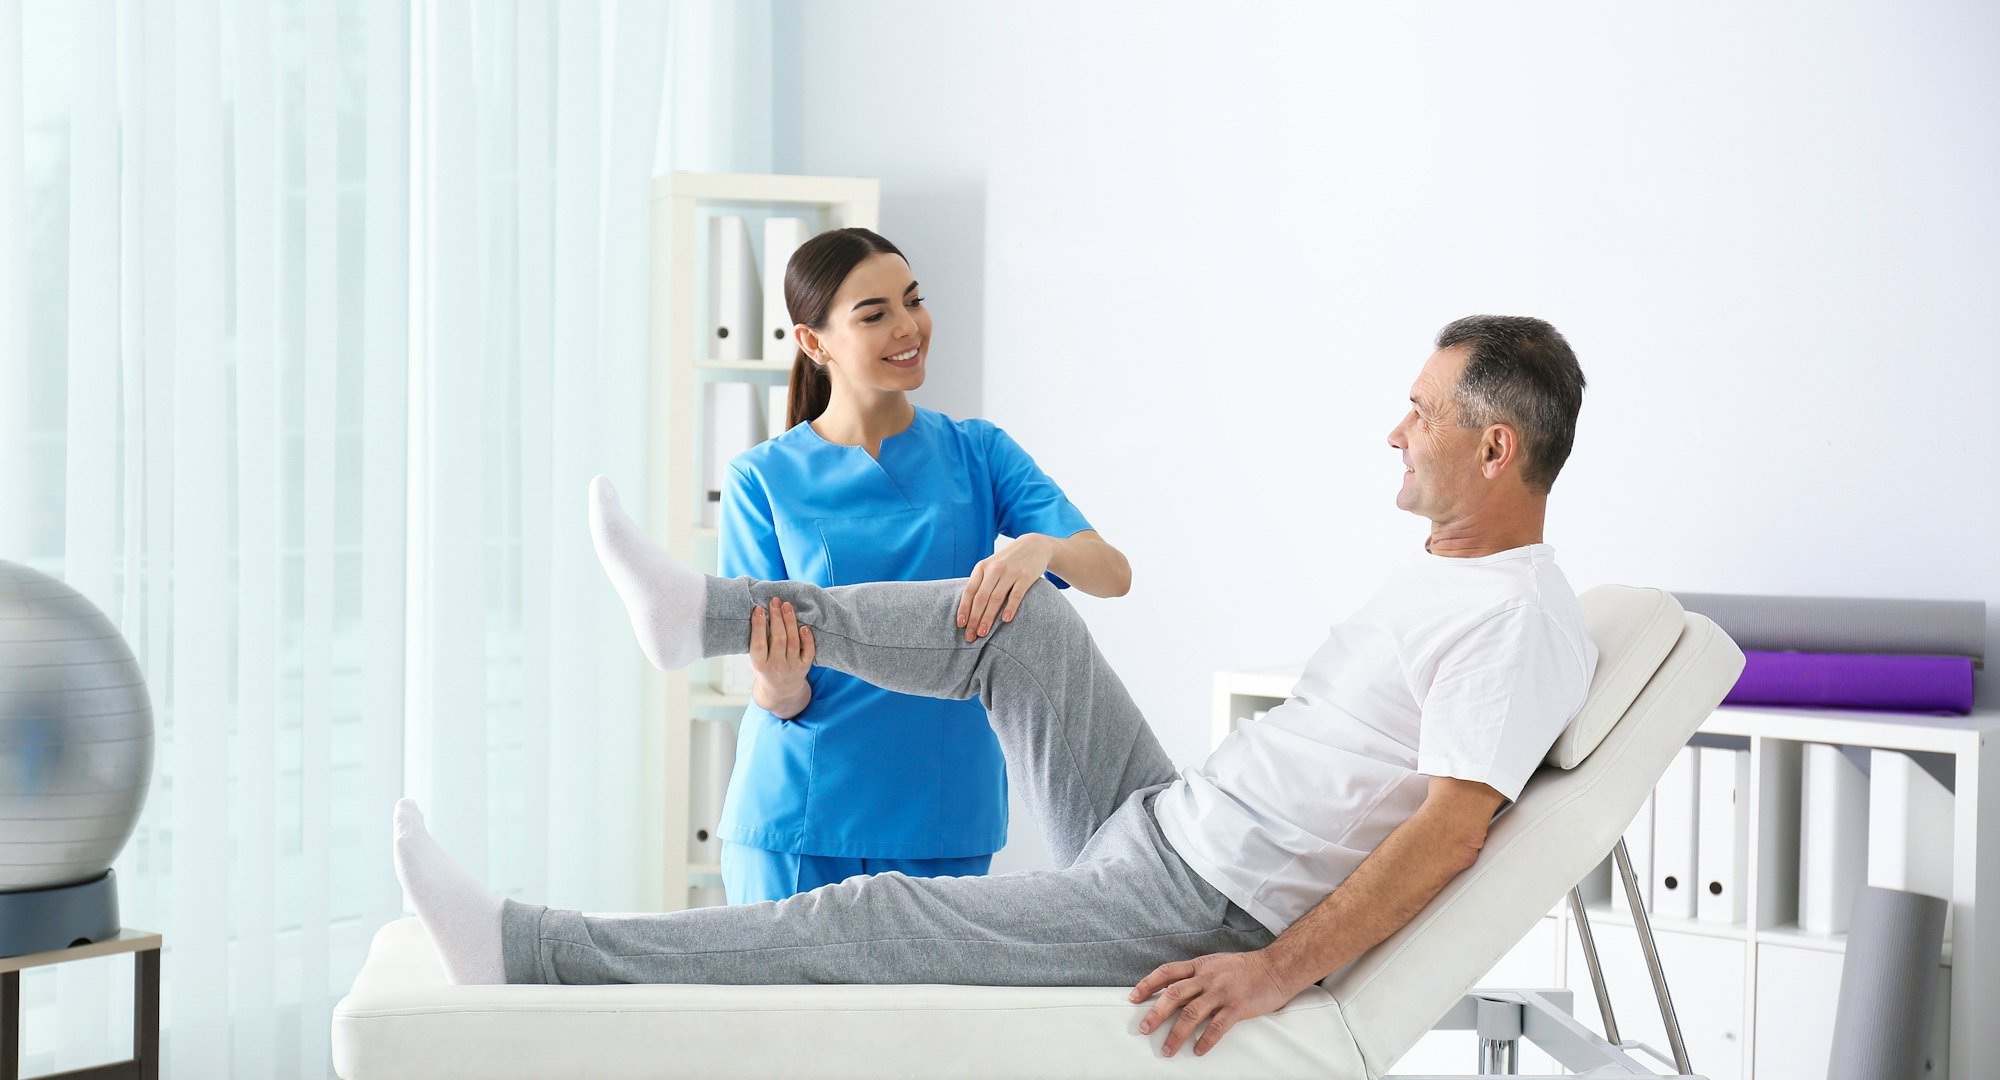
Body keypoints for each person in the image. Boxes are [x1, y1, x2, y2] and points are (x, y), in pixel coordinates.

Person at [392, 315, 1598, 1060]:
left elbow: (1450, 832)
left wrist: (1275, 972)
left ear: (1495, 448)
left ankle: (530, 952)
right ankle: (700, 614)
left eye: (1419, 413)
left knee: (872, 917)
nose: (1393, 432)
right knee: (1018, 616)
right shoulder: (1447, 575)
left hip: (1204, 907)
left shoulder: (1510, 621)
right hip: (1169, 816)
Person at [714, 227, 1129, 904]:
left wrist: (1042, 548)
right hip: (800, 812)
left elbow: (1111, 573)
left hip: (942, 813)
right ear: (814, 343)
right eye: (874, 314)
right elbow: (771, 687)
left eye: (913, 300)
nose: (908, 327)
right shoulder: (761, 479)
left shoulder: (978, 453)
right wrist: (778, 682)